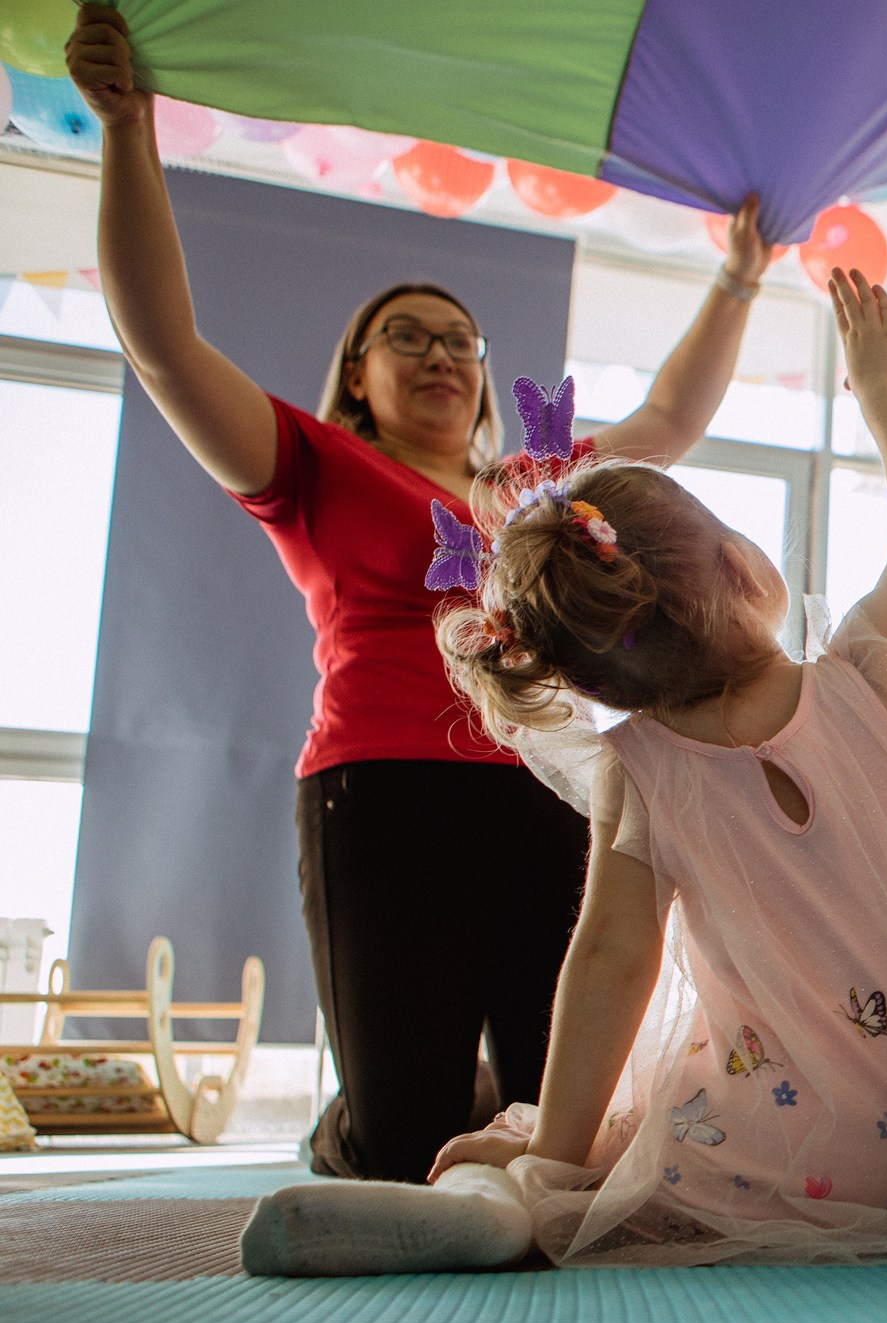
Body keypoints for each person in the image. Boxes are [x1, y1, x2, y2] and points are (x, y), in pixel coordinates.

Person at [66, 5, 775, 1182]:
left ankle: (486, 1097)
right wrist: (128, 134)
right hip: (385, 792)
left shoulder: (539, 493)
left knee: (568, 1120)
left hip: (552, 789)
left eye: (462, 341)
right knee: (403, 1144)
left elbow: (673, 421)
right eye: (410, 337)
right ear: (360, 368)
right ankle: (352, 1119)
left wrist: (742, 278)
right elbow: (164, 346)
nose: (443, 355)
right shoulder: (313, 466)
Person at [240, 270, 887, 1274]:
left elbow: (610, 963)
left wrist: (557, 1159)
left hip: (765, 1170)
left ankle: (501, 1204)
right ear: (743, 568)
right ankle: (523, 1178)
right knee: (649, 1101)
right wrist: (879, 385)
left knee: (589, 1142)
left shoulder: (640, 769)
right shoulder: (873, 674)